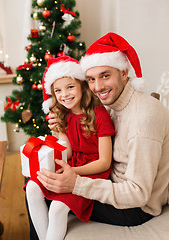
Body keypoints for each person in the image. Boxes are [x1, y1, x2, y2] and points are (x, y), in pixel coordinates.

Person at [37, 32, 169, 227]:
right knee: (37, 177)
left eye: (105, 76)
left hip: (134, 208)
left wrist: (76, 183)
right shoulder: (109, 104)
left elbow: (138, 194)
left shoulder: (144, 116)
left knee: (46, 191)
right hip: (109, 180)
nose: (97, 87)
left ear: (124, 73)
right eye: (91, 79)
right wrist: (60, 127)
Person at [25, 55, 115, 240]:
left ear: (82, 86)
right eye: (58, 90)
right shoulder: (64, 114)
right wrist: (60, 130)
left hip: (92, 170)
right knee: (32, 187)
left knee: (58, 208)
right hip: (72, 163)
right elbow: (68, 152)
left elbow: (105, 162)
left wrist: (73, 172)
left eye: (70, 87)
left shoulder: (99, 114)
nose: (64, 94)